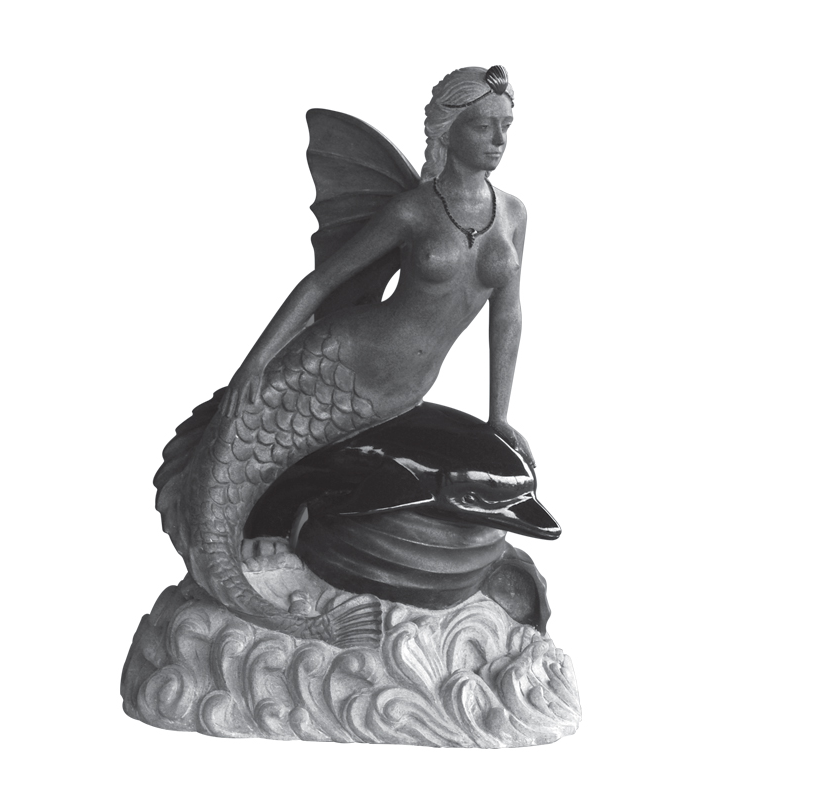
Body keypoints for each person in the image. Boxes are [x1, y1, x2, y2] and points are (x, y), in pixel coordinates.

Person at [164, 66, 535, 647]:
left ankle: (324, 558)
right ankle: (268, 582)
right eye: (484, 125)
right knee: (233, 469)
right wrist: (253, 367)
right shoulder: (413, 210)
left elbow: (507, 316)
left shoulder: (512, 214)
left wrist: (499, 417)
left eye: (507, 125)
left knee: (493, 468)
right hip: (339, 366)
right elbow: (321, 284)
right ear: (448, 129)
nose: (499, 139)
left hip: (404, 387)